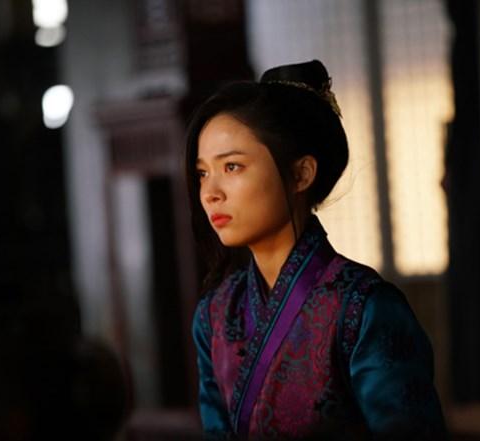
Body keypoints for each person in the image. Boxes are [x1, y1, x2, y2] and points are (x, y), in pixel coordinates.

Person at [186, 60, 447, 440]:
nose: (210, 193)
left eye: (232, 167)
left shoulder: (365, 309)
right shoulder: (215, 314)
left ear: (301, 174)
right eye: (202, 173)